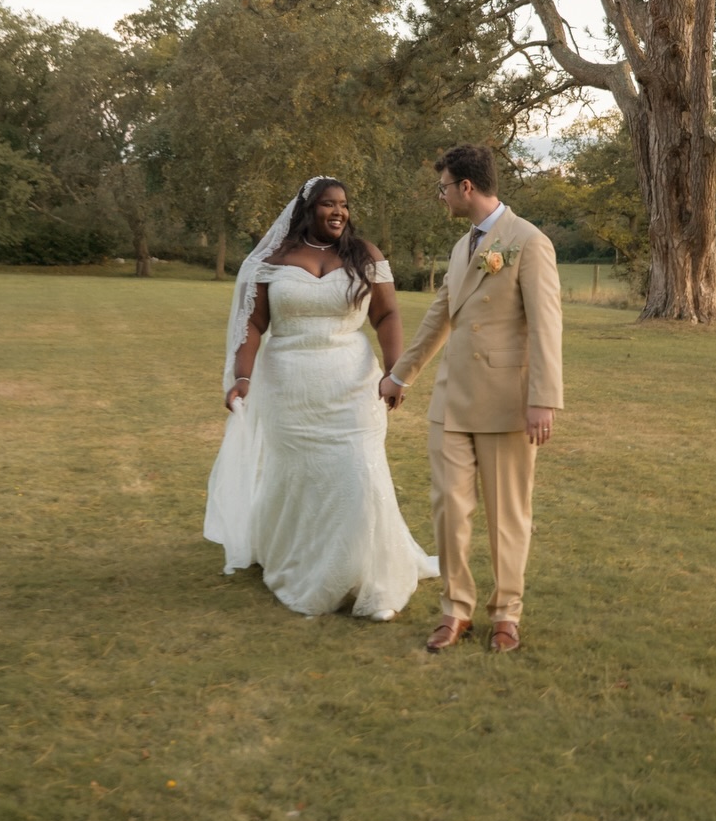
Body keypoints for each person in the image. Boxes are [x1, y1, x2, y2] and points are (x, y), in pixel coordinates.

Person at [205, 175, 437, 619]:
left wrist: (395, 371)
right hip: (289, 388)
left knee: (357, 472)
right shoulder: (274, 259)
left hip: (351, 385)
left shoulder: (364, 255)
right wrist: (243, 377)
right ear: (307, 210)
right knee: (299, 478)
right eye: (328, 204)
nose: (338, 212)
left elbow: (386, 314)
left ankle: (367, 574)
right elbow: (252, 326)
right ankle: (300, 559)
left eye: (344, 205)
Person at [379, 144, 563, 654]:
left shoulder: (529, 242)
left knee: (507, 516)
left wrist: (543, 398)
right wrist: (401, 375)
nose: (440, 197)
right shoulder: (463, 249)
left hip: (508, 404)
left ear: (466, 187)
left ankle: (506, 614)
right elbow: (440, 316)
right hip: (450, 405)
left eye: (443, 187)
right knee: (448, 513)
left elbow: (547, 326)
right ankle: (455, 610)